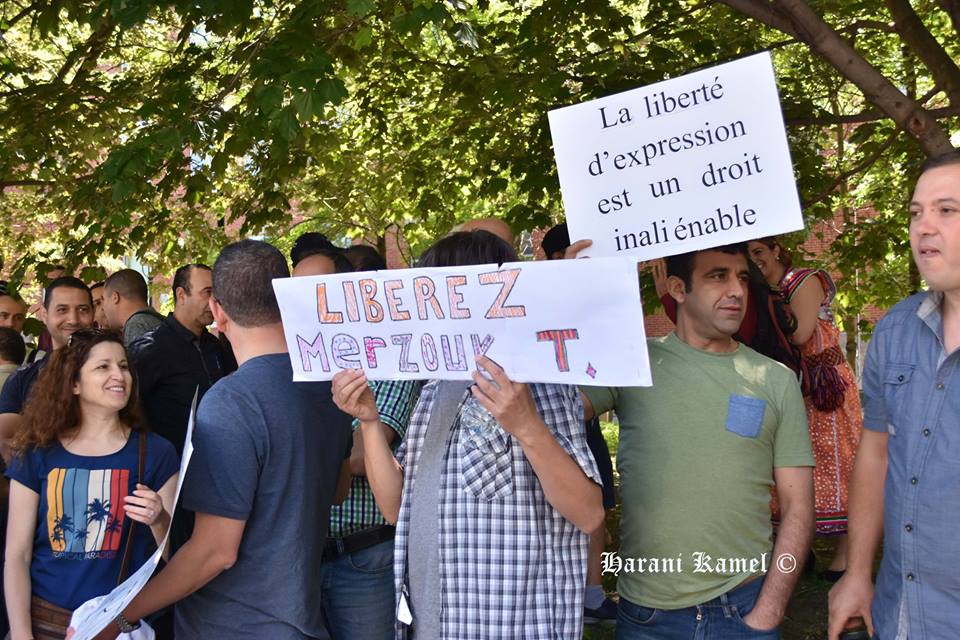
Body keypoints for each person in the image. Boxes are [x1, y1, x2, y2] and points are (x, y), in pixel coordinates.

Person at [334, 230, 603, 640]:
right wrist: (370, 423)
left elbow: (589, 513)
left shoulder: (540, 385)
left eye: (435, 295)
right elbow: (396, 509)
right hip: (430, 626)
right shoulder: (433, 390)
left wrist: (525, 424)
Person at [88, 239, 353, 640]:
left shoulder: (231, 401)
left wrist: (120, 618)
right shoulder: (329, 388)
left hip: (234, 623)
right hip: (299, 617)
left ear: (218, 312)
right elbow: (336, 490)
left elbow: (215, 551)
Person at [577, 242, 814, 639]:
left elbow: (798, 506)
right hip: (646, 617)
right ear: (677, 289)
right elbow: (555, 409)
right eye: (717, 276)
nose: (737, 290)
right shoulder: (632, 364)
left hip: (743, 608)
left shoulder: (776, 379)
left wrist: (769, 610)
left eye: (741, 277)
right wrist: (569, 295)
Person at [828, 150, 960, 640]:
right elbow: (876, 452)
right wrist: (857, 571)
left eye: (946, 210)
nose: (924, 226)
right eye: (915, 212)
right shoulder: (897, 329)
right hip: (901, 612)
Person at [4, 329, 178, 640]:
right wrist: (20, 633)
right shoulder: (37, 452)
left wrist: (159, 519)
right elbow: (17, 554)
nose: (119, 375)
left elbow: (175, 558)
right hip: (44, 622)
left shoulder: (156, 452)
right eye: (103, 367)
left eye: (124, 366)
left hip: (116, 628)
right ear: (73, 383)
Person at [747, 237, 863, 578]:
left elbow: (800, 335)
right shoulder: (766, 290)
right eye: (748, 255)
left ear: (776, 251)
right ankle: (799, 547)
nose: (755, 261)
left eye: (759, 252)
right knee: (792, 462)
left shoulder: (803, 280)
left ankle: (845, 555)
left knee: (835, 460)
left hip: (825, 386)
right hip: (795, 384)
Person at [541, 222, 619, 625]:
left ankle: (592, 594)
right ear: (556, 258)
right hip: (549, 424)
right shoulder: (539, 299)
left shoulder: (595, 299)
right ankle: (576, 595)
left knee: (598, 505)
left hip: (583, 418)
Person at [0, 277, 94, 461]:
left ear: (94, 312)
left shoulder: (115, 372)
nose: (73, 319)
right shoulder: (22, 378)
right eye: (62, 310)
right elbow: (6, 431)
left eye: (83, 310)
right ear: (44, 314)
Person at [102, 270, 164, 345]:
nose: (103, 308)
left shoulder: (136, 325)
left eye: (103, 299)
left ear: (115, 297)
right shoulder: (158, 321)